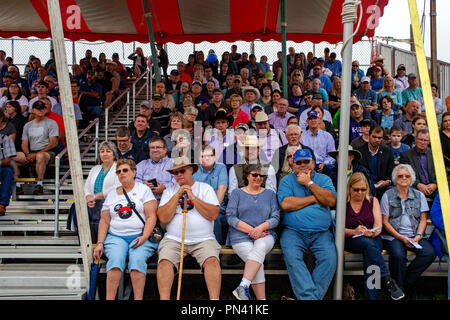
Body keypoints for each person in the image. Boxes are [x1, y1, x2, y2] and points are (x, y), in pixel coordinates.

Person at [93, 158, 159, 300]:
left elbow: (151, 217)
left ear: (134, 172)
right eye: (118, 171)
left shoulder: (144, 190)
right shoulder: (112, 194)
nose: (122, 173)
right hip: (116, 236)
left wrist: (144, 236)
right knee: (116, 260)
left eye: (125, 170)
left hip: (141, 235)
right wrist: (100, 243)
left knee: (137, 261)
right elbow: (104, 220)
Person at [156, 157, 221, 300]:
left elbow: (213, 215)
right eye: (176, 172)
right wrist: (177, 196)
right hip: (174, 239)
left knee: (212, 261)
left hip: (204, 239)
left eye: (182, 171)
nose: (179, 175)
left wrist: (192, 196)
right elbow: (163, 218)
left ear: (191, 170)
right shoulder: (169, 191)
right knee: (164, 263)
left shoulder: (205, 188)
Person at [278, 148, 337, 300]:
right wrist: (315, 198)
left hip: (321, 232)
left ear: (313, 163)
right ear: (293, 165)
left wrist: (309, 183)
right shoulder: (286, 181)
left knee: (329, 259)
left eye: (306, 162)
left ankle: (307, 297)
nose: (303, 165)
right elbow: (286, 204)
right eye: (299, 162)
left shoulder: (324, 179)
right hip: (294, 232)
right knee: (292, 259)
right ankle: (311, 297)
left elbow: (330, 200)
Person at [344, 173, 404, 300]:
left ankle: (372, 297)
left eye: (363, 189)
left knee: (371, 260)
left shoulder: (373, 201)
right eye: (356, 189)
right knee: (369, 245)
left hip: (372, 236)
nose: (360, 193)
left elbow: (378, 225)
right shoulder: (344, 202)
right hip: (351, 238)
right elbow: (339, 229)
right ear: (349, 188)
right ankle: (388, 279)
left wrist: (372, 232)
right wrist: (355, 231)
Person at [227, 164, 280, 300]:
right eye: (254, 175)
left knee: (260, 248)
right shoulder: (237, 193)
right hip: (240, 235)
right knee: (257, 262)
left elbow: (275, 218)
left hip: (265, 234)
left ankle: (243, 286)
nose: (258, 178)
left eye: (261, 175)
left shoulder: (270, 194)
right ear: (247, 176)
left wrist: (260, 228)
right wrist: (252, 230)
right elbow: (231, 217)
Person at [381, 164, 437, 291]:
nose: (404, 178)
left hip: (414, 234)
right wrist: (401, 237)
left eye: (407, 176)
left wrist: (418, 236)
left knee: (429, 253)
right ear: (395, 178)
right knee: (398, 255)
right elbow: (385, 222)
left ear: (412, 178)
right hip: (394, 236)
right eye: (400, 176)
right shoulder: (387, 195)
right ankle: (399, 289)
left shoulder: (419, 195)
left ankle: (405, 282)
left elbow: (423, 219)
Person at [75, 141, 121, 236]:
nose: (105, 154)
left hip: (110, 202)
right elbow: (86, 186)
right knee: (77, 210)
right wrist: (88, 197)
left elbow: (116, 187)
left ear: (114, 154)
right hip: (92, 202)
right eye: (102, 151)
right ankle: (84, 242)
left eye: (108, 151)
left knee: (99, 221)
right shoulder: (95, 169)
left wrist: (95, 197)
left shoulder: (119, 168)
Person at [14, 100, 59, 195]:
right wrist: (27, 154)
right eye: (38, 109)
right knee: (12, 156)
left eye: (43, 108)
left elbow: (53, 143)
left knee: (40, 156)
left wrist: (35, 154)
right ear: (33, 110)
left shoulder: (51, 123)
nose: (41, 111)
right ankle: (17, 185)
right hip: (31, 152)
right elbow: (24, 143)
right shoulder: (28, 125)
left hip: (47, 152)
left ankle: (39, 184)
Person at [193, 145, 228, 245]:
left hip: (217, 205)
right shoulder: (194, 169)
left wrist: (213, 207)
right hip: (198, 206)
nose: (207, 158)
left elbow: (222, 188)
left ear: (215, 156)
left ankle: (215, 246)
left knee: (215, 217)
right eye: (203, 156)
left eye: (210, 155)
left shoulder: (221, 167)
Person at [357, 125, 395, 200]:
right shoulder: (359, 152)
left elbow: (392, 172)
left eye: (380, 138)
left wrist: (386, 182)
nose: (377, 140)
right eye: (374, 137)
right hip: (364, 187)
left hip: (383, 188)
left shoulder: (387, 152)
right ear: (369, 135)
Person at [399, 129, 437, 200]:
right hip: (414, 186)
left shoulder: (434, 154)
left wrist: (435, 184)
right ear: (415, 139)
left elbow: (442, 173)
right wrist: (418, 184)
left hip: (433, 187)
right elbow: (404, 175)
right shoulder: (406, 155)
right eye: (420, 139)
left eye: (425, 140)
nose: (422, 142)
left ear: (429, 142)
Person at [135, 136, 176, 201]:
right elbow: (133, 180)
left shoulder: (174, 163)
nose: (155, 150)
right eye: (152, 147)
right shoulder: (142, 165)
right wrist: (143, 185)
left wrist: (165, 187)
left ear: (165, 149)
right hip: (144, 201)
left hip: (168, 200)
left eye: (158, 147)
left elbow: (179, 182)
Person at [300, 110, 335, 174]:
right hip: (307, 165)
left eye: (315, 118)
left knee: (331, 168)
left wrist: (324, 164)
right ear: (307, 121)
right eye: (310, 119)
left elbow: (332, 155)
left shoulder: (327, 136)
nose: (313, 120)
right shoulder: (301, 137)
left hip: (324, 165)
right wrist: (310, 164)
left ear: (319, 120)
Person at [0, 129, 16, 216]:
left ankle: (2, 205)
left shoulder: (5, 139)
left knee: (8, 170)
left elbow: (8, 160)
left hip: (1, 166)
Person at [440, 112, 450, 178]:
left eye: (449, 120)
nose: (448, 122)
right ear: (443, 123)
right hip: (444, 166)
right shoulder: (438, 135)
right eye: (445, 121)